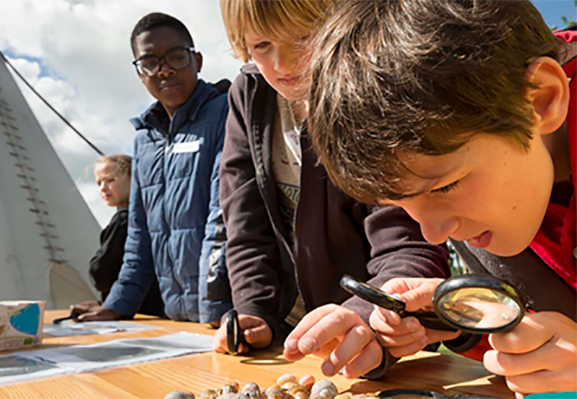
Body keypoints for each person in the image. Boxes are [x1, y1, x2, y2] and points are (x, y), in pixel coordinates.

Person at [302, 0, 575, 394]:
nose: (432, 234)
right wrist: (466, 316)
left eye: (444, 187)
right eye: (405, 206)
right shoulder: (501, 177)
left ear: (541, 100)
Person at [215, 0, 450, 379]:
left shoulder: (380, 87)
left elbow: (410, 241)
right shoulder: (248, 94)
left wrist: (365, 315)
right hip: (287, 342)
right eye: (261, 46)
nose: (283, 63)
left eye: (305, 36)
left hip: (374, 342)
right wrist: (254, 309)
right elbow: (244, 221)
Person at [70, 12, 232, 324]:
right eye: (150, 63)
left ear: (197, 60)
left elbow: (222, 218)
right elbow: (139, 234)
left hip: (224, 316)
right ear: (139, 73)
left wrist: (214, 309)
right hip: (177, 318)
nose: (165, 70)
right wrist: (118, 304)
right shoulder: (144, 139)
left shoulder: (225, 112)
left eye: (176, 56)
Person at [88, 154, 164, 317]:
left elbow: (101, 274)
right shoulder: (151, 217)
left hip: (135, 312)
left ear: (133, 179)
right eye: (99, 183)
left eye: (110, 180)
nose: (103, 188)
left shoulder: (123, 220)